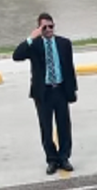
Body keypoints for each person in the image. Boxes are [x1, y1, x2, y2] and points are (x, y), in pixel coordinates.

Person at [13, 12, 77, 174]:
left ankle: (64, 158)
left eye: (51, 26)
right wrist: (31, 37)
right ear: (39, 28)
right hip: (43, 93)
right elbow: (16, 56)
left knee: (64, 126)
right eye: (44, 27)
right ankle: (52, 160)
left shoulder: (64, 43)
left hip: (60, 90)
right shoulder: (34, 45)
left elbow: (70, 69)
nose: (48, 30)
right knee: (46, 128)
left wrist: (72, 91)